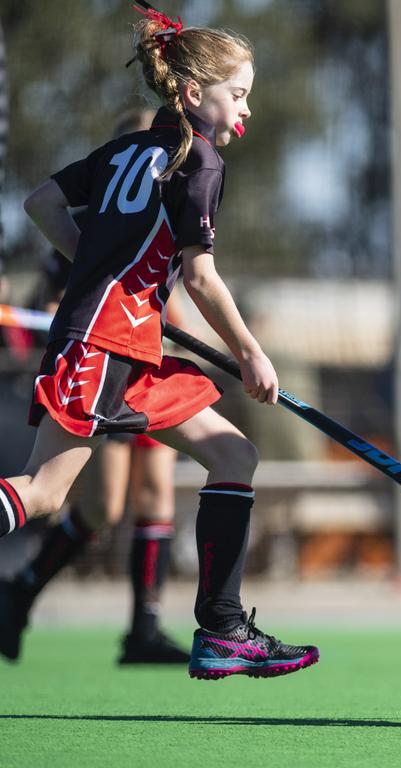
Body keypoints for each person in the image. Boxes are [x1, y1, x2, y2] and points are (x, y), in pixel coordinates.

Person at [0, 6, 318, 680]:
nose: (246, 111)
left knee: (234, 453)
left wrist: (98, 264)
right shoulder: (197, 159)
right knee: (49, 491)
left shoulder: (123, 150)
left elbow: (40, 203)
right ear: (195, 93)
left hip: (127, 344)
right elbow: (200, 278)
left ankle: (223, 630)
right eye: (239, 95)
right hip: (101, 342)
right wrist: (250, 354)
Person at [0, 107, 195, 666]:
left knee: (156, 493)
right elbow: (58, 294)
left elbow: (172, 293)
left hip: (149, 368)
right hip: (102, 362)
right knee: (103, 506)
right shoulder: (98, 220)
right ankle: (24, 589)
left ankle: (144, 628)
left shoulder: (172, 208)